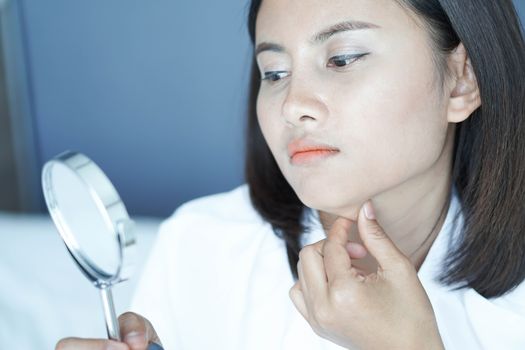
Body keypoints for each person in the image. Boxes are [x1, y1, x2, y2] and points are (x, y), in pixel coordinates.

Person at [56, 0, 525, 349]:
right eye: (275, 72)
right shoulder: (199, 246)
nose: (293, 105)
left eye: (342, 59)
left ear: (463, 79)